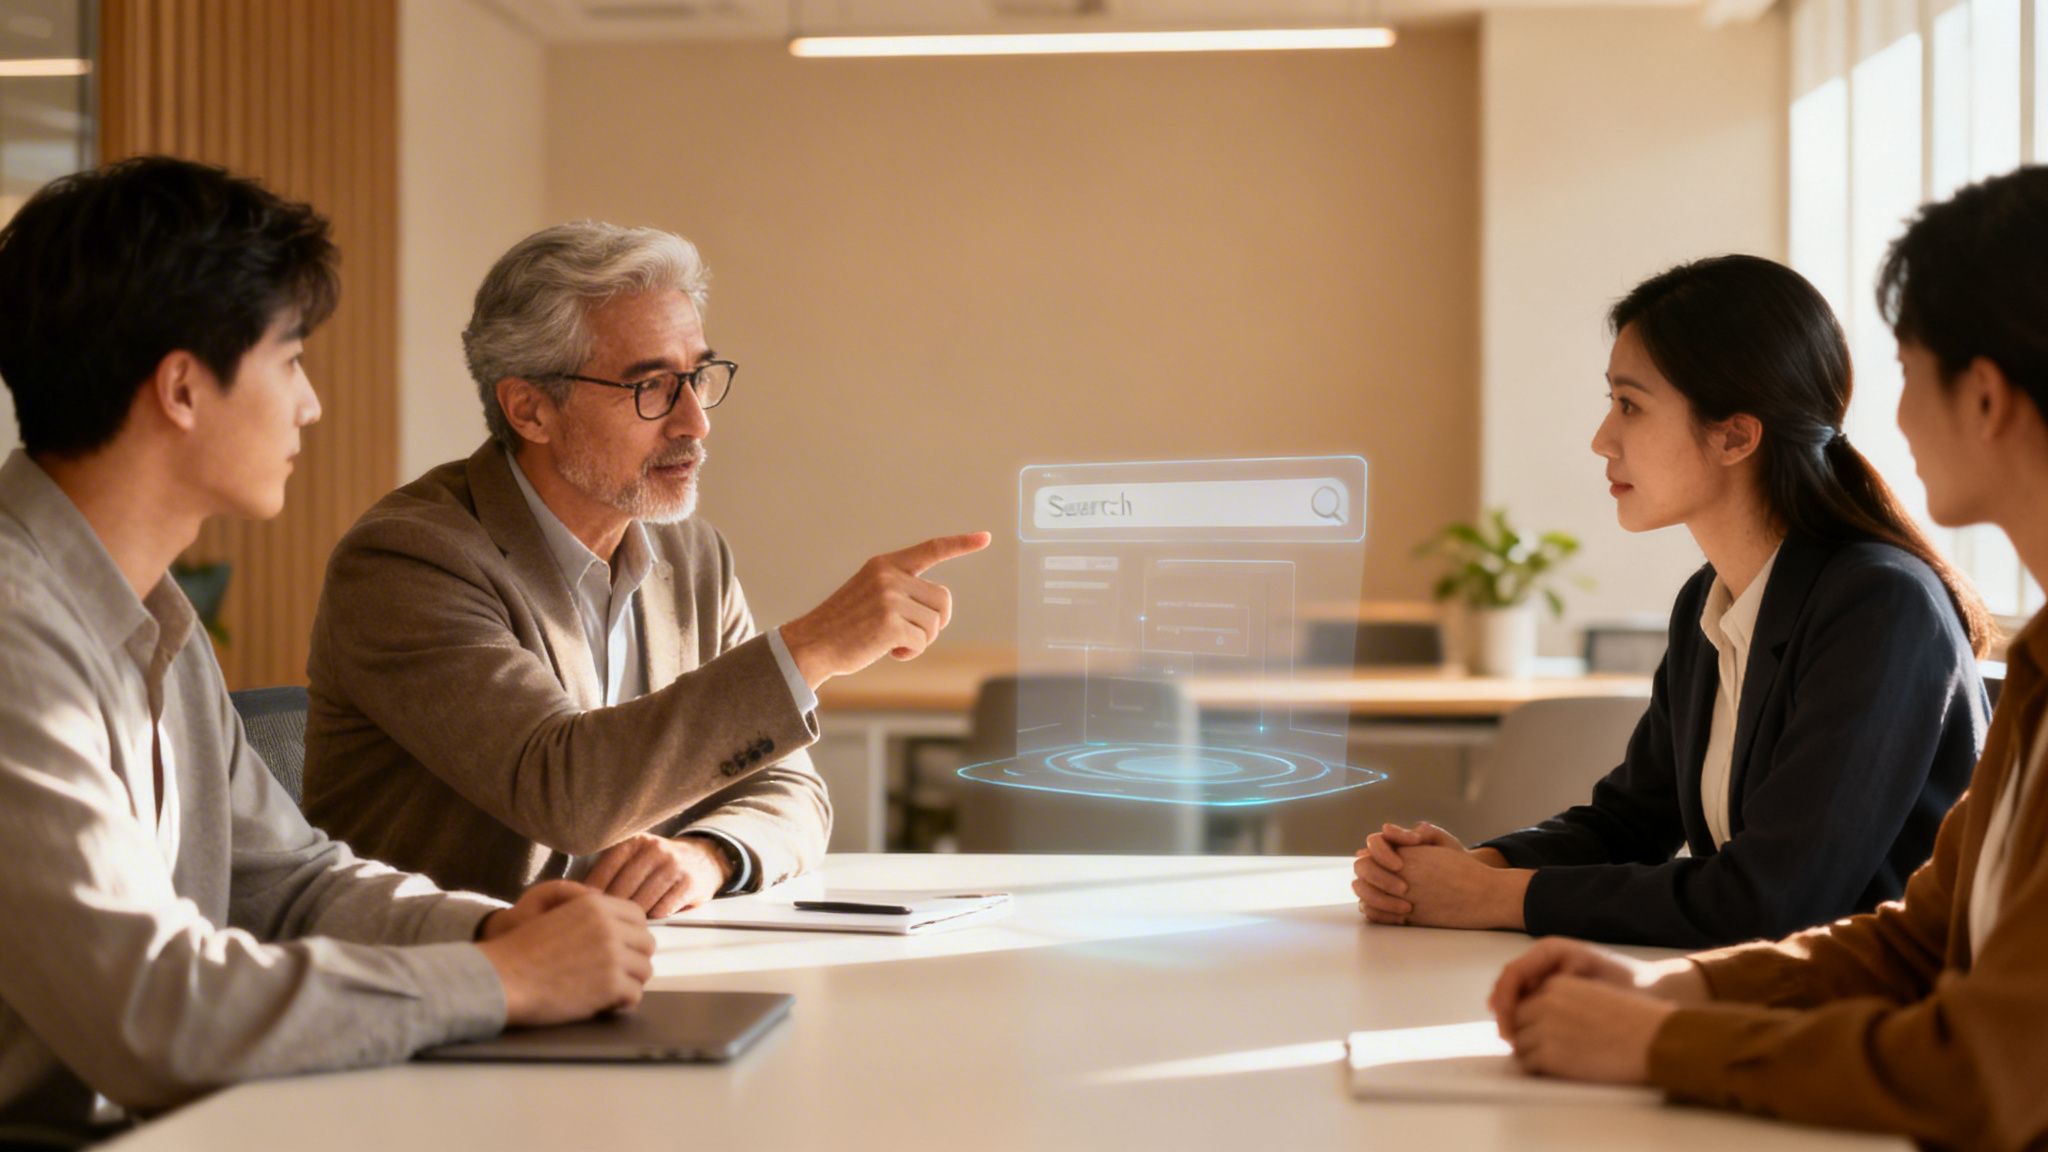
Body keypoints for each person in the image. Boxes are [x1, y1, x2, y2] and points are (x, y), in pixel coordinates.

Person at [0, 157, 654, 1146]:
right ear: (182, 388)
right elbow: (151, 1014)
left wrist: (487, 930)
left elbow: (290, 884)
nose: (309, 406)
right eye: (290, 359)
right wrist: (501, 980)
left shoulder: (151, 619)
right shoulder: (14, 634)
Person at [1487, 164, 2048, 1151]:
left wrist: (1661, 1040)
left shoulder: (1881, 602)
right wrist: (1667, 989)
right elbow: (1917, 940)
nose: (1895, 417)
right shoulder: (2042, 670)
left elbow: (1978, 1074)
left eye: (1907, 373)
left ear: (1986, 397)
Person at [300, 221, 988, 912]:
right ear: (530, 408)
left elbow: (791, 791)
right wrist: (811, 647)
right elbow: (563, 790)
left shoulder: (692, 556)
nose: (695, 421)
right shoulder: (408, 561)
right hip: (447, 985)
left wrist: (710, 856)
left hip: (636, 968)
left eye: (697, 377)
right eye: (653, 386)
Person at [1353, 253, 1992, 948]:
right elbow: (1629, 821)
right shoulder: (1708, 604)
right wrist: (1477, 866)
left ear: (1735, 435)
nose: (1603, 439)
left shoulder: (1880, 607)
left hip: (1886, 1024)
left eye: (1629, 405)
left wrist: (1494, 897)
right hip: (1768, 1000)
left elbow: (1772, 899)